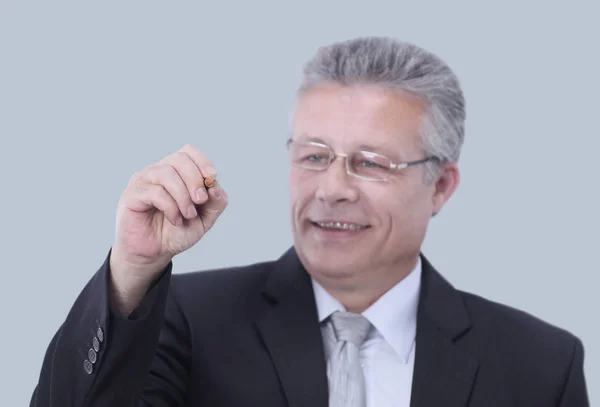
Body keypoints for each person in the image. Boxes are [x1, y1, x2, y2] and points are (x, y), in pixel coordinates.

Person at [30, 36, 589, 407]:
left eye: (371, 163)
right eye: (314, 155)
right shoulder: (188, 321)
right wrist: (133, 269)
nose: (333, 188)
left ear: (440, 187)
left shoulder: (541, 366)